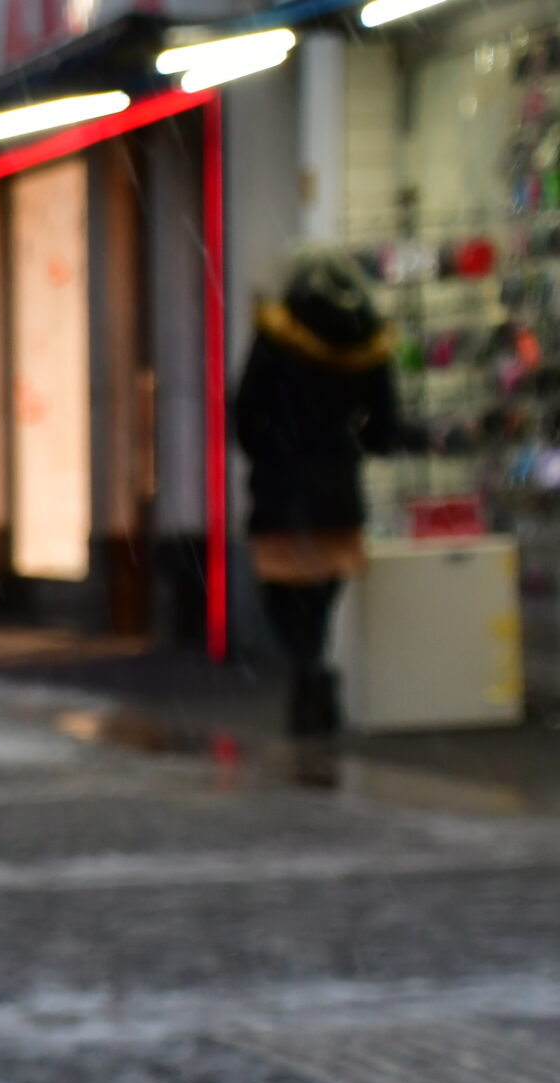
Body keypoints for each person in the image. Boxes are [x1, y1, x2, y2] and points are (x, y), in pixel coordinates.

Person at [233, 250, 406, 739]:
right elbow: (386, 427)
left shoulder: (276, 333)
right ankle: (315, 683)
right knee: (321, 597)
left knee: (283, 597)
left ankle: (310, 678)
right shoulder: (368, 340)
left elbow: (248, 414)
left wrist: (274, 447)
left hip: (281, 491)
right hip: (336, 490)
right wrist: (348, 440)